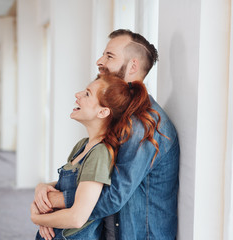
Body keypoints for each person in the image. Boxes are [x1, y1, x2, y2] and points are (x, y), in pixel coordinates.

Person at [34, 29, 180, 240]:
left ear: (133, 66)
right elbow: (92, 183)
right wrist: (44, 190)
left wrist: (50, 204)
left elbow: (110, 197)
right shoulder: (121, 117)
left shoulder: (142, 124)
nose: (99, 61)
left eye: (109, 56)